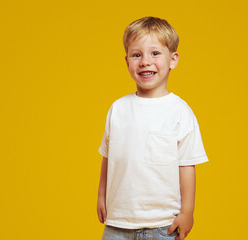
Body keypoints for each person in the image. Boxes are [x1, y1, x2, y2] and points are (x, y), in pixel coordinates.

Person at [97, 16, 209, 240]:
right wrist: (101, 195)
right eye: (136, 54)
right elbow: (108, 156)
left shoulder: (180, 112)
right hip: (118, 224)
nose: (145, 61)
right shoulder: (118, 109)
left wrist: (187, 212)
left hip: (162, 225)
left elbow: (187, 165)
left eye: (155, 53)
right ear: (127, 60)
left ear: (173, 60)